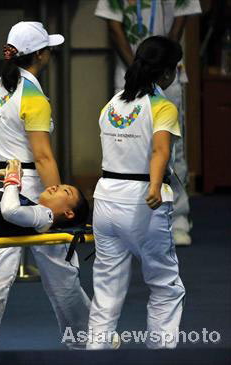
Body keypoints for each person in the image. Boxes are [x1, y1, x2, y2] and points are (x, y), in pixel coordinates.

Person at [0, 21, 91, 346]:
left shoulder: (2, 84)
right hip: (25, 186)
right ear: (40, 54)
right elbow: (43, 158)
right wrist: (60, 206)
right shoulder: (33, 96)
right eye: (48, 48)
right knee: (62, 274)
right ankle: (87, 341)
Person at [88, 36, 186, 349]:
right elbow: (159, 150)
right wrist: (156, 185)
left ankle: (95, 352)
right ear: (168, 73)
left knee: (106, 290)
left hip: (104, 199)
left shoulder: (112, 103)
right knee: (164, 286)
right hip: (144, 201)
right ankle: (161, 354)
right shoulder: (163, 107)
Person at [95, 0, 202, 245]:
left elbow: (181, 17)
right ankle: (130, 215)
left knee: (174, 147)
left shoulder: (167, 71)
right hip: (131, 71)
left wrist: (164, 62)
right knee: (126, 144)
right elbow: (114, 25)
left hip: (166, 73)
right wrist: (139, 68)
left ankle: (177, 217)